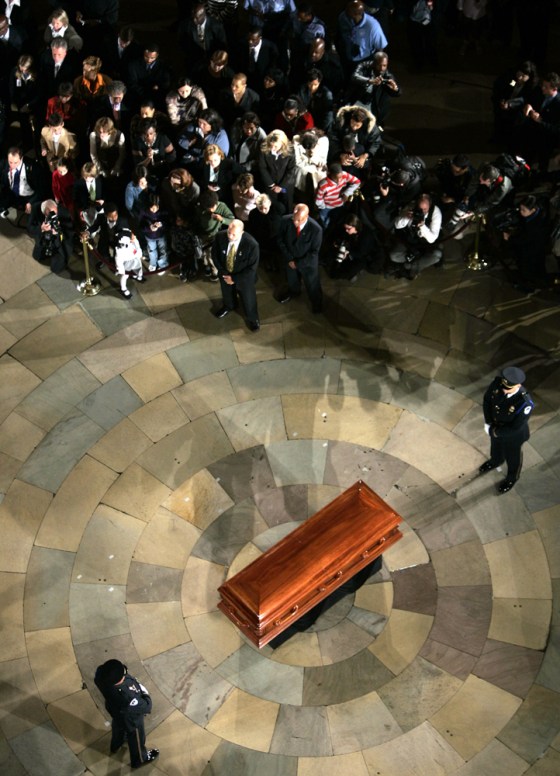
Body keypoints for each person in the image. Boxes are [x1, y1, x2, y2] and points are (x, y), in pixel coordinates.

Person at [94, 659, 159, 769]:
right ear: (118, 681)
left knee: (118, 727)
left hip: (115, 710)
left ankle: (116, 745)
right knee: (136, 736)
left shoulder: (100, 675)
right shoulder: (127, 696)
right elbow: (146, 706)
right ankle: (139, 759)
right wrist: (144, 692)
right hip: (131, 718)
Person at [479, 366, 534, 494]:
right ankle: (495, 461)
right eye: (503, 387)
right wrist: (488, 422)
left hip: (513, 436)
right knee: (495, 447)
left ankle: (512, 478)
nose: (504, 390)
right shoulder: (497, 383)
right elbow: (487, 401)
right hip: (495, 426)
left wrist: (495, 432)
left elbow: (515, 427)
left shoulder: (524, 403)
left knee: (512, 457)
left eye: (508, 389)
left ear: (518, 385)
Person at [212, 218, 261, 330]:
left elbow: (252, 268)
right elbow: (214, 255)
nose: (230, 236)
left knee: (249, 300)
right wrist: (223, 272)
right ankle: (229, 306)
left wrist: (234, 278)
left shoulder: (252, 245)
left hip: (244, 278)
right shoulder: (220, 236)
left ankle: (253, 319)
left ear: (242, 233)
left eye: (234, 234)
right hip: (225, 274)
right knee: (227, 294)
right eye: (229, 232)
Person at [277, 202, 323, 312]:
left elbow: (314, 252)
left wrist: (298, 263)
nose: (295, 222)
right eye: (294, 219)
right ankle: (294, 292)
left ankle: (317, 303)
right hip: (290, 260)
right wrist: (290, 259)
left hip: (307, 263)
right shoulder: (285, 220)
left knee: (312, 285)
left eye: (299, 220)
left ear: (306, 217)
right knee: (292, 280)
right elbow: (280, 240)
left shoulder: (316, 230)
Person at [502, 194, 549, 293]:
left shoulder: (535, 225)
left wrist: (509, 238)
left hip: (533, 250)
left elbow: (525, 239)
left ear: (533, 210)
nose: (521, 212)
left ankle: (529, 287)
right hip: (535, 247)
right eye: (520, 209)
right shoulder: (536, 215)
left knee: (528, 269)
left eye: (524, 210)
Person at [389, 192, 442, 279]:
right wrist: (406, 217)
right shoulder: (411, 206)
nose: (422, 212)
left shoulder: (436, 212)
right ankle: (414, 264)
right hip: (410, 240)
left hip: (425, 244)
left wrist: (422, 226)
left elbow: (432, 239)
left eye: (425, 209)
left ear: (430, 205)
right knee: (393, 256)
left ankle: (409, 266)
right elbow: (397, 225)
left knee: (437, 255)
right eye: (420, 209)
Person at [335, 0, 388, 76]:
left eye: (349, 12)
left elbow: (380, 48)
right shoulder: (343, 17)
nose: (345, 13)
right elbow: (339, 34)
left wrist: (375, 67)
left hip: (363, 61)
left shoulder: (372, 26)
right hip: (346, 57)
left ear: (357, 14)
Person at [351, 50, 400, 126]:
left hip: (373, 106)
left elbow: (397, 93)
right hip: (359, 100)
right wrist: (370, 81)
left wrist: (395, 89)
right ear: (374, 63)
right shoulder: (364, 66)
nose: (382, 68)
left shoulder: (386, 75)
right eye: (379, 65)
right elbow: (354, 77)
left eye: (384, 65)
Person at [27, 198, 73, 273]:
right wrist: (41, 229)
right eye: (51, 215)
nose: (54, 217)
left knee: (56, 269)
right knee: (37, 256)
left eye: (56, 214)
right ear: (44, 213)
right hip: (44, 237)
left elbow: (68, 236)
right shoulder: (36, 208)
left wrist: (58, 233)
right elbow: (29, 228)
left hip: (60, 243)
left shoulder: (65, 213)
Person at [0, 146, 42, 218]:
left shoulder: (33, 167)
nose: (12, 165)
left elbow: (41, 189)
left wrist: (31, 202)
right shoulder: (4, 164)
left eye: (15, 163)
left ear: (21, 158)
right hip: (12, 194)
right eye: (10, 162)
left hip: (28, 197)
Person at [315, 162, 360, 227]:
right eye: (336, 178)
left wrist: (346, 193)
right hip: (326, 207)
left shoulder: (344, 174)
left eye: (340, 177)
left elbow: (357, 182)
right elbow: (318, 200)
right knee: (324, 224)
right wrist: (324, 207)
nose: (339, 181)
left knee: (336, 225)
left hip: (340, 205)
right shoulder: (323, 184)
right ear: (330, 174)